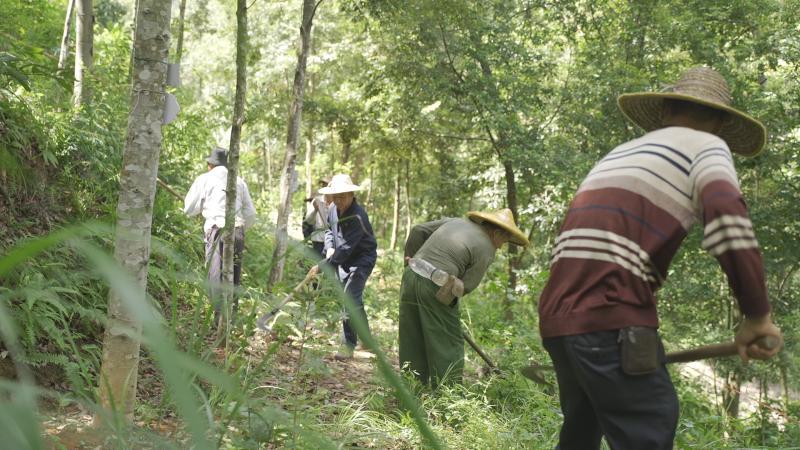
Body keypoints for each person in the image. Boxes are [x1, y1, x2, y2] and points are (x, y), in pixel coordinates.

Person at [537, 66, 783, 449]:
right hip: (610, 317)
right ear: (719, 123)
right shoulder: (707, 146)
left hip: (558, 317)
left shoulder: (621, 153)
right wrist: (758, 316)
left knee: (581, 431)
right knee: (649, 425)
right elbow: (729, 223)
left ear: (666, 110)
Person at [399, 209, 528, 386]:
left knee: (411, 337)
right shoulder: (487, 248)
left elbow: (418, 230)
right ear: (496, 232)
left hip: (410, 276)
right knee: (448, 342)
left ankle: (410, 389)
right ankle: (447, 397)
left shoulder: (455, 222)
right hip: (436, 285)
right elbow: (467, 285)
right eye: (503, 241)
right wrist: (446, 310)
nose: (500, 246)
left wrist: (411, 261)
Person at [184, 147, 256, 325]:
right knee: (234, 275)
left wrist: (203, 208)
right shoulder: (238, 181)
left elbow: (189, 209)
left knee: (215, 276)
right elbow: (251, 213)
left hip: (216, 230)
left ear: (209, 165)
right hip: (237, 230)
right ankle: (230, 320)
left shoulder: (204, 179)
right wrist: (241, 228)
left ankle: (219, 321)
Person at [308, 174, 377, 360]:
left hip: (361, 260)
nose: (339, 201)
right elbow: (329, 230)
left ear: (352, 195)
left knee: (349, 298)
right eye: (336, 196)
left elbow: (346, 248)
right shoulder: (332, 209)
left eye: (343, 196)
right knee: (354, 301)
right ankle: (368, 341)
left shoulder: (358, 216)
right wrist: (329, 248)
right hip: (342, 260)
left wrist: (322, 266)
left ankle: (348, 345)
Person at [303, 177, 332, 258]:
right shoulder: (317, 200)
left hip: (332, 240)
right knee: (317, 263)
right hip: (318, 239)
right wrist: (315, 210)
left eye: (326, 184)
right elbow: (309, 221)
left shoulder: (337, 202)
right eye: (323, 185)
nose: (324, 186)